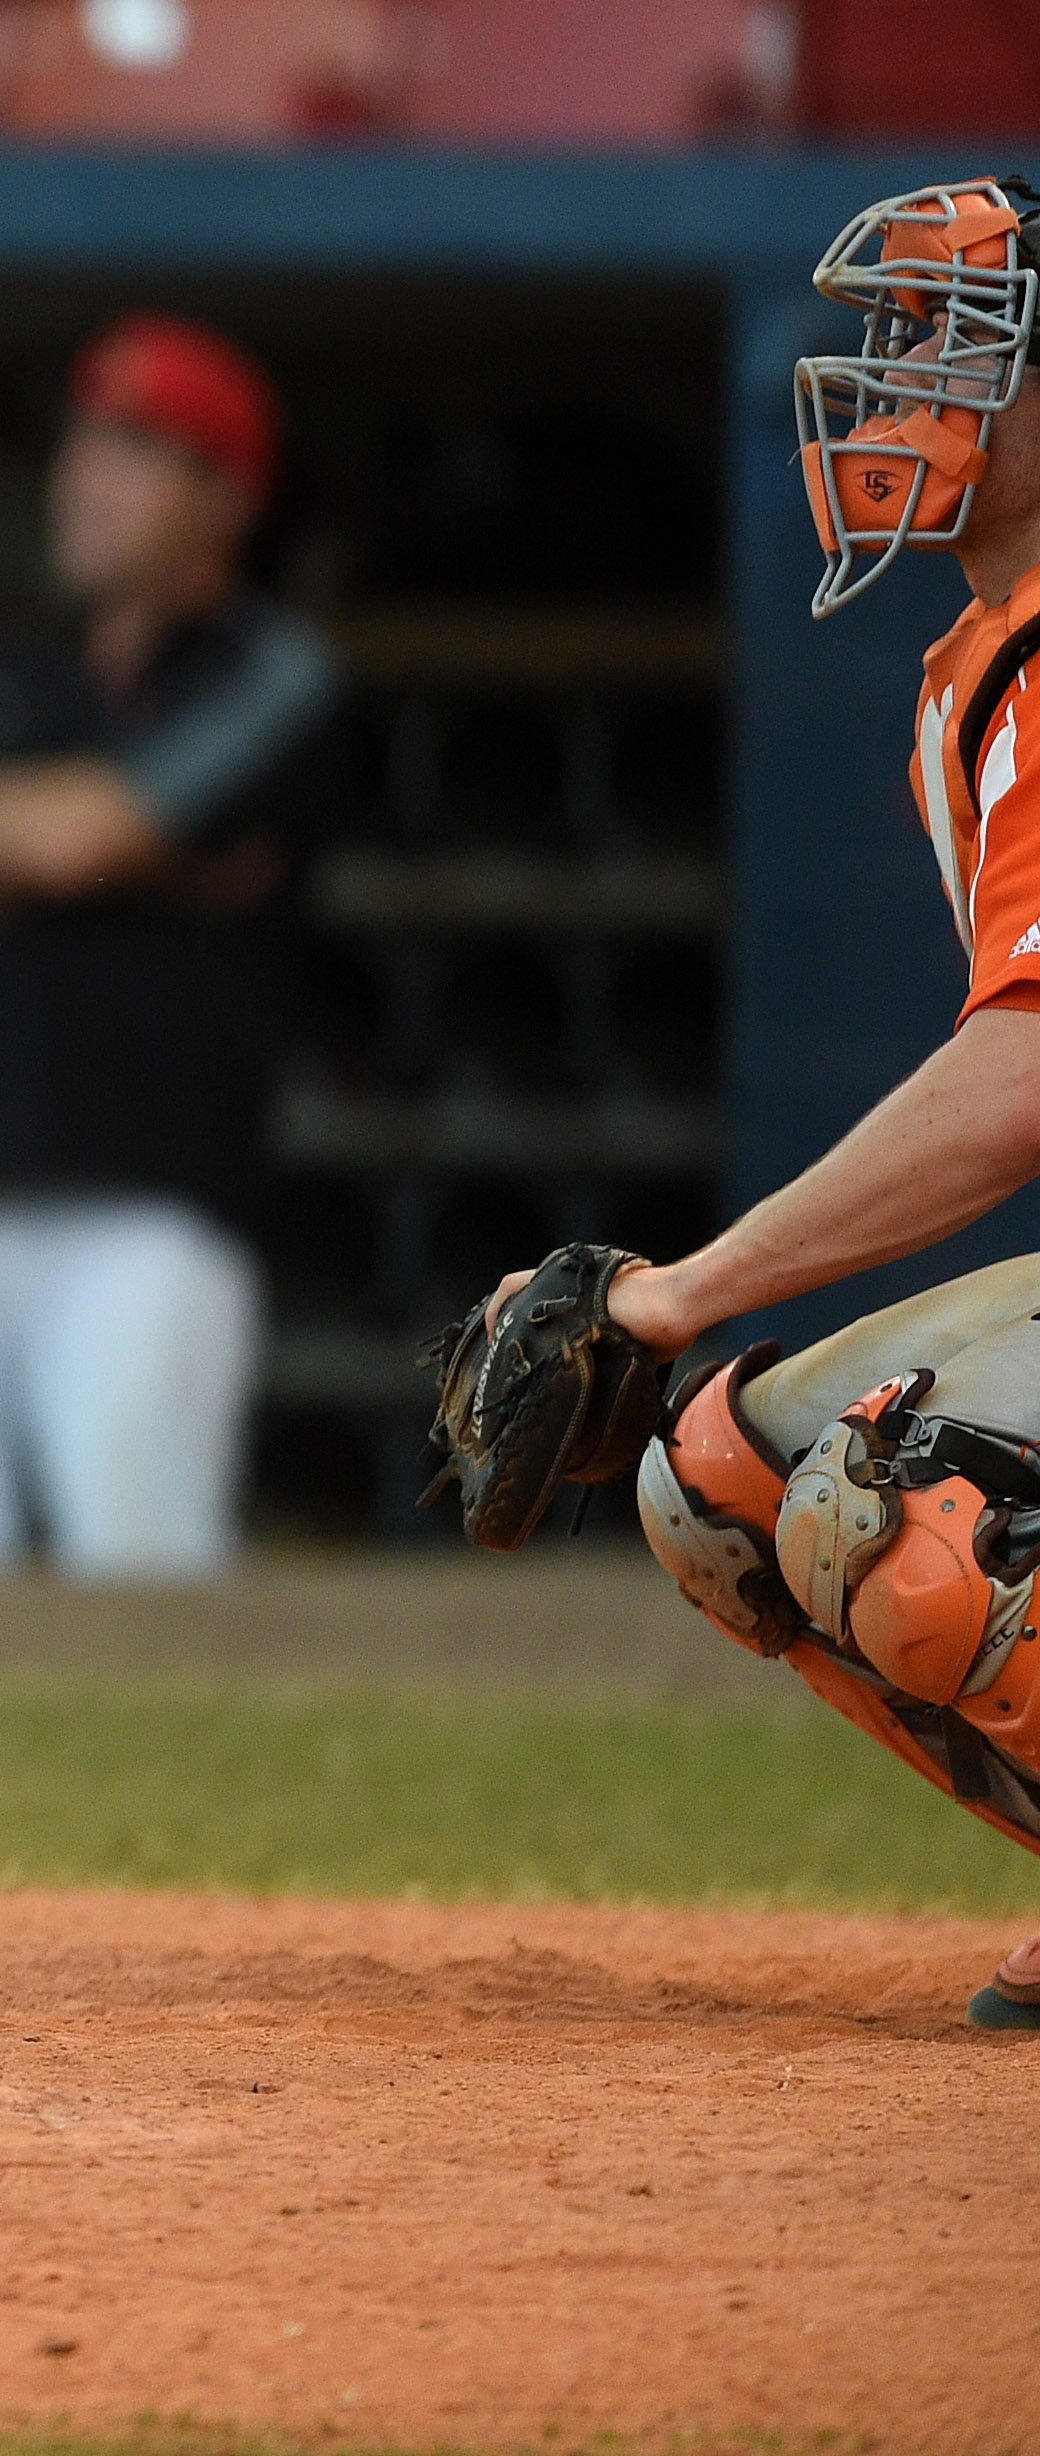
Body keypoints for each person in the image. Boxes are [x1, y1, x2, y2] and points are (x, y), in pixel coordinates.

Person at [420, 176, 1040, 2030]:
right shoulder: (976, 665)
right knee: (724, 1480)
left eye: (949, 349)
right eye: (893, 342)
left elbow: (1020, 1080)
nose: (885, 390)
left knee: (889, 1494)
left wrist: (678, 1286)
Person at [0, 315, 338, 1582]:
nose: (81, 478)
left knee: (144, 1581)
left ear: (225, 497)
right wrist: (128, 855)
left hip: (148, 1204)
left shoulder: (268, 672)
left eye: (132, 451)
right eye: (79, 447)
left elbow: (68, 840)